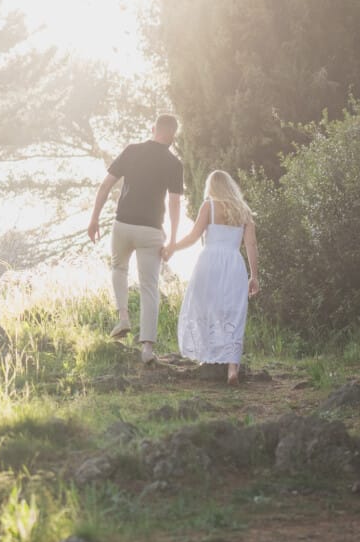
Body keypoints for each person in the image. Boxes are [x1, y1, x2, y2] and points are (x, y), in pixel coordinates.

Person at [88, 114, 184, 363]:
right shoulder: (174, 164)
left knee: (118, 268)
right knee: (149, 287)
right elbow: (174, 205)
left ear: (153, 129)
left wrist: (94, 218)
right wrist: (173, 240)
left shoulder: (131, 150)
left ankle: (123, 317)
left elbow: (106, 185)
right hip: (151, 231)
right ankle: (147, 350)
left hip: (123, 224)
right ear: (173, 135)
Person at [162, 170, 259, 386]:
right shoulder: (244, 211)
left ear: (211, 187)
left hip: (209, 262)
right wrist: (254, 275)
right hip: (234, 263)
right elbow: (251, 245)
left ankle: (209, 355)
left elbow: (194, 236)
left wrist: (172, 247)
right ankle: (232, 367)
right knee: (233, 311)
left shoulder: (209, 206)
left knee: (205, 306)